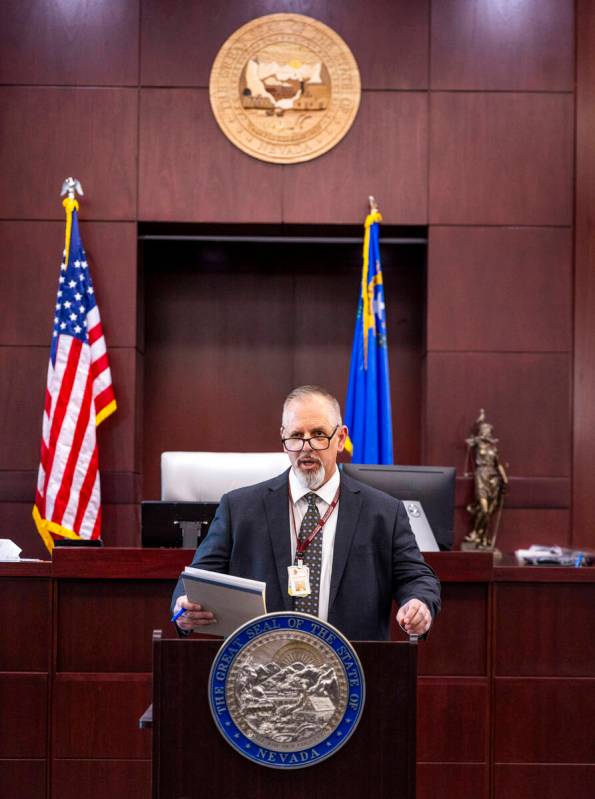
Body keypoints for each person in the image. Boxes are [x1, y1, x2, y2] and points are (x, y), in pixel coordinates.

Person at [171, 385, 440, 640]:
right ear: (283, 439)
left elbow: (417, 578)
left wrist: (419, 604)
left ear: (341, 438)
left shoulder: (384, 513)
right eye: (296, 436)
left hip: (352, 669)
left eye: (319, 434)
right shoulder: (240, 508)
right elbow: (195, 579)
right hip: (260, 671)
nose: (306, 447)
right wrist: (183, 608)